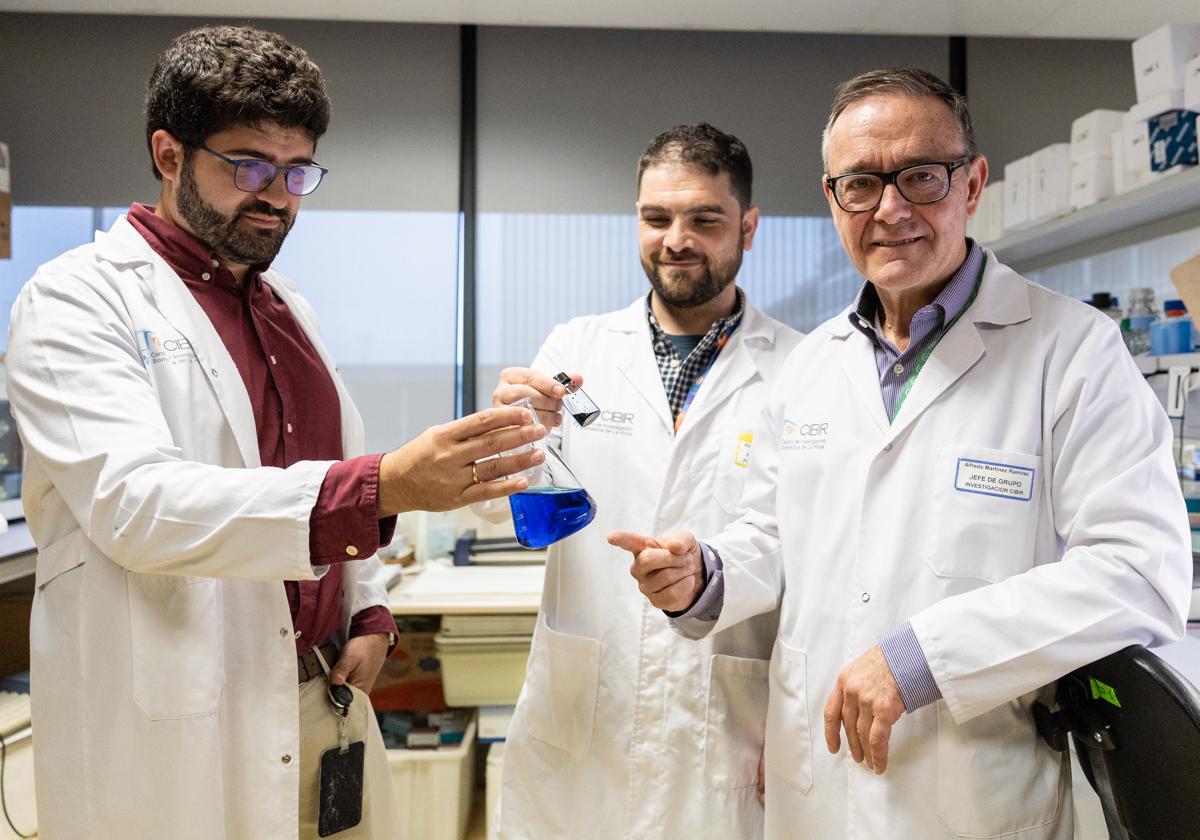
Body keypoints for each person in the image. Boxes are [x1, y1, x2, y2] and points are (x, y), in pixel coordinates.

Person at [611, 67, 1191, 840]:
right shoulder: (812, 365)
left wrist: (920, 658)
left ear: (972, 184)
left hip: (974, 788)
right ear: (832, 198)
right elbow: (777, 535)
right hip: (813, 787)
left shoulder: (1074, 354)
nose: (890, 210)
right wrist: (705, 575)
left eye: (920, 176)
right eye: (860, 184)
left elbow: (1137, 574)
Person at [6, 25, 543, 840]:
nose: (278, 194)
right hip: (184, 718)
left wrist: (366, 610)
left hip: (318, 696)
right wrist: (389, 485)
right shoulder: (78, 300)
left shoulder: (288, 307)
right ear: (168, 153)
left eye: (297, 171)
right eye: (249, 165)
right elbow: (137, 505)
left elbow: (320, 470)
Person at [485, 123, 802, 839]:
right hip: (589, 705)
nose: (676, 239)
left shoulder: (802, 371)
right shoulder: (576, 349)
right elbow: (528, 498)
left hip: (725, 712)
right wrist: (514, 434)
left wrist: (711, 576)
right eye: (657, 218)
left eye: (705, 219)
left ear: (748, 228)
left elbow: (807, 549)